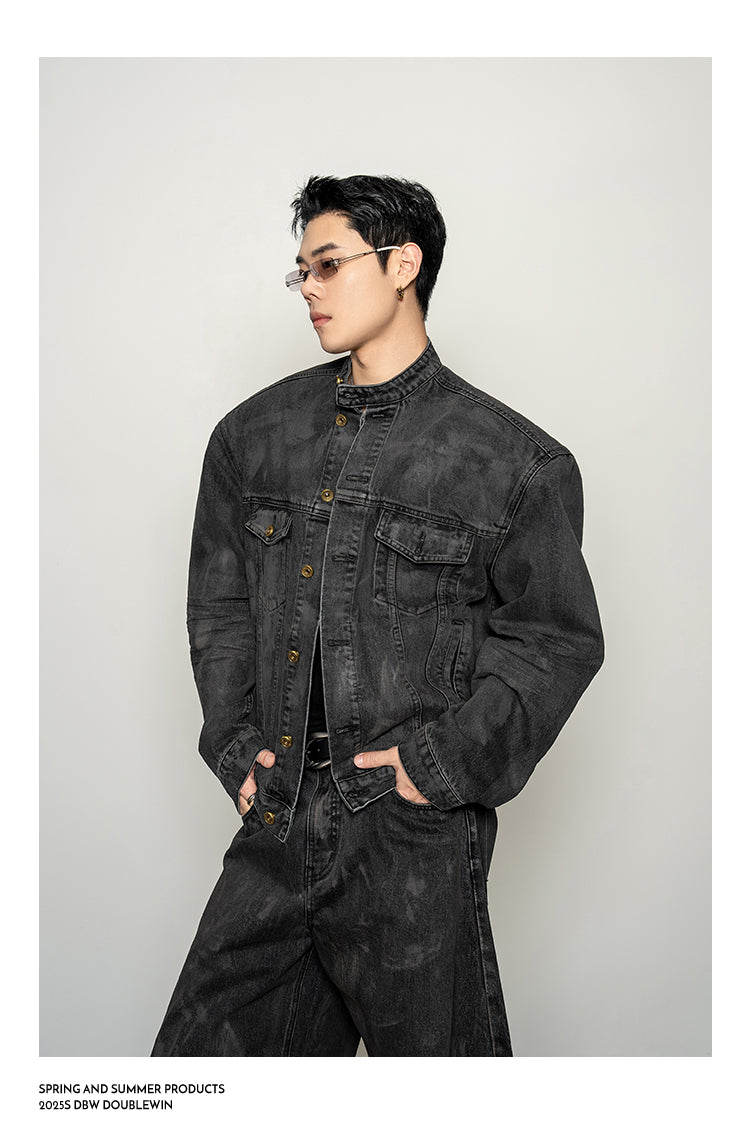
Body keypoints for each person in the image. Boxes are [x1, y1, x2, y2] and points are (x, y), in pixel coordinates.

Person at [151, 174, 604, 1057]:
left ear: (404, 265)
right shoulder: (251, 438)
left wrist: (441, 767)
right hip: (277, 813)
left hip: (411, 838)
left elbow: (555, 641)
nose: (308, 288)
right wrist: (236, 749)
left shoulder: (513, 462)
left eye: (329, 264)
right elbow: (219, 609)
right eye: (302, 270)